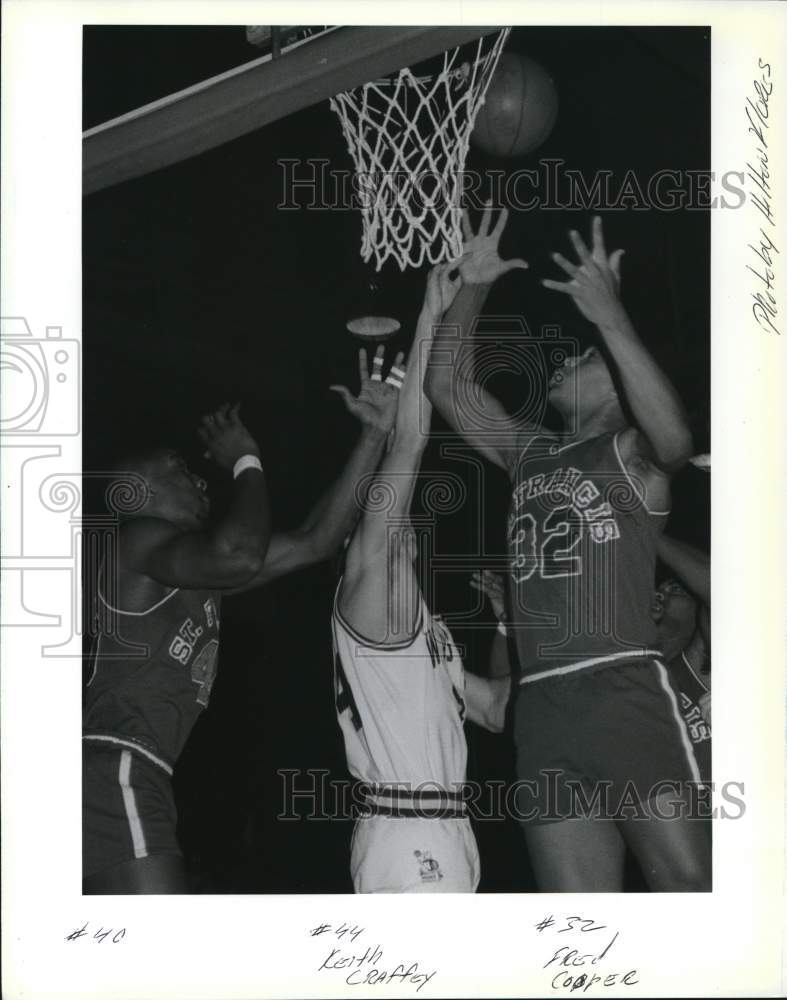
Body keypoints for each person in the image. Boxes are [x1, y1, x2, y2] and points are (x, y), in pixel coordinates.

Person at [425, 206, 710, 891]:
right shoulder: (529, 450)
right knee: (578, 920)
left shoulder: (630, 452)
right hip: (543, 706)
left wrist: (610, 319)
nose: (564, 361)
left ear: (618, 385)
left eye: (583, 359)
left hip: (621, 687)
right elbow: (446, 387)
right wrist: (473, 286)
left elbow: (675, 442)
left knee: (690, 895)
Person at [84, 355, 401, 894]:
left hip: (136, 764)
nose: (196, 477)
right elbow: (240, 555)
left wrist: (374, 435)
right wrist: (246, 460)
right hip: (113, 760)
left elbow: (316, 541)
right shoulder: (135, 540)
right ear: (139, 490)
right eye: (177, 467)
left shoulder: (189, 571)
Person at [332, 264, 510, 893]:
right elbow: (411, 444)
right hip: (409, 830)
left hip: (443, 828)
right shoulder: (370, 597)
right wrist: (432, 314)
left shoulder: (425, 632)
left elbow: (497, 711)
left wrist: (508, 626)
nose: (396, 517)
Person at [653, 535, 711, 779]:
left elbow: (722, 588)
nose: (660, 594)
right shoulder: (635, 676)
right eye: (658, 589)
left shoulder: (704, 663)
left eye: (676, 589)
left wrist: (645, 533)